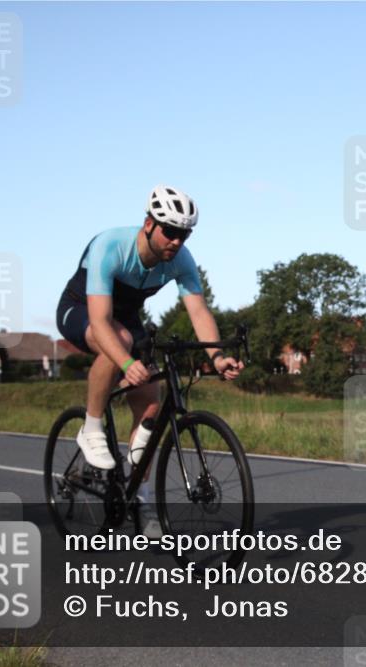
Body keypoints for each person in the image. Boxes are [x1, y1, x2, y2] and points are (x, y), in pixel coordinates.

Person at [56, 185, 243, 532]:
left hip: (125, 320)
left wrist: (217, 356)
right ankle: (91, 428)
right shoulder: (111, 246)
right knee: (121, 341)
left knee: (152, 402)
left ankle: (138, 500)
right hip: (81, 310)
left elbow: (198, 311)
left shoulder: (181, 261)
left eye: (184, 235)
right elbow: (101, 321)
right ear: (148, 225)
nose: (176, 241)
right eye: (169, 231)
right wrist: (127, 364)